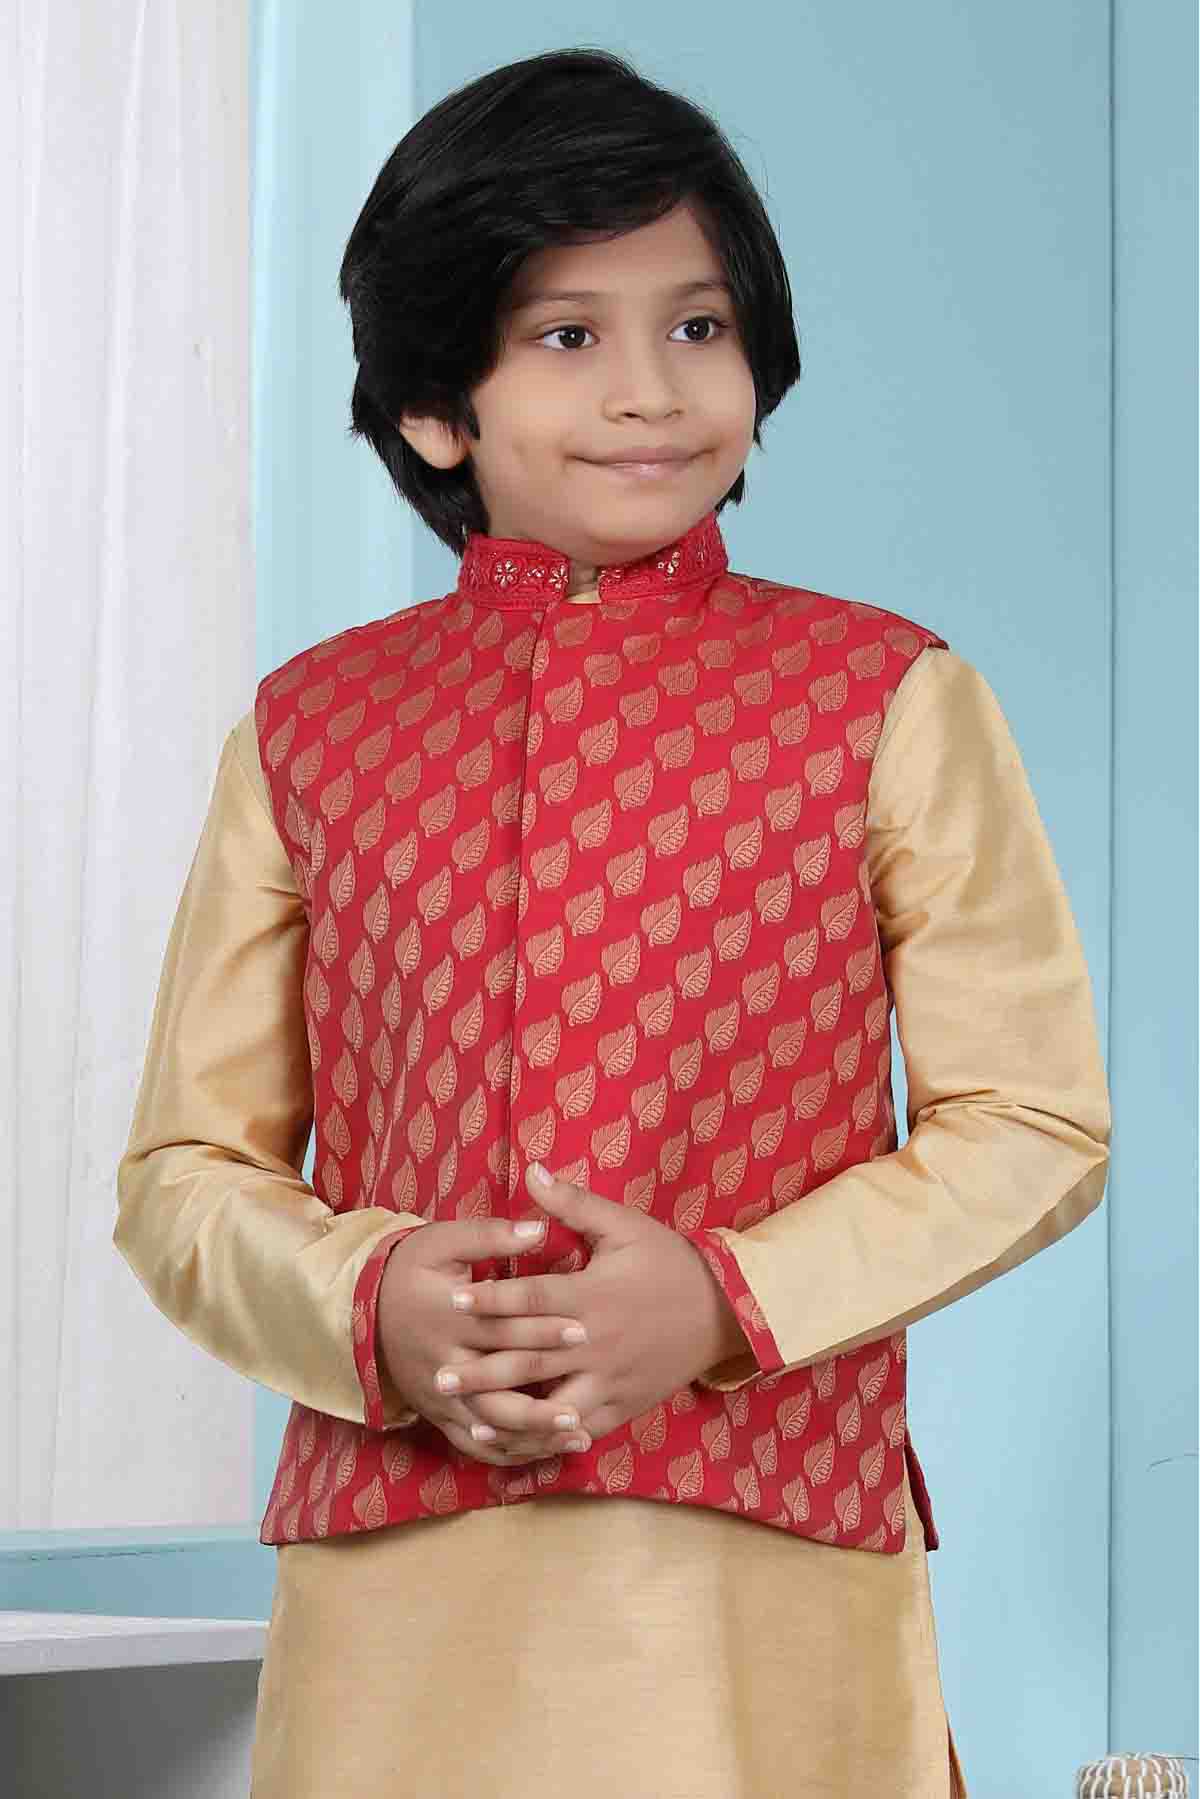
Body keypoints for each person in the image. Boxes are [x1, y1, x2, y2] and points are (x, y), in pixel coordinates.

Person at [114, 46, 1111, 1798]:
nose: (651, 391)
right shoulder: (311, 728)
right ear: (437, 406)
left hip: (766, 1543)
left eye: (699, 326)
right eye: (569, 335)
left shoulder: (884, 697)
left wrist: (724, 1300)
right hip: (402, 1561)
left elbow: (1033, 1124)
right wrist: (373, 1302)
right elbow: (185, 1172)